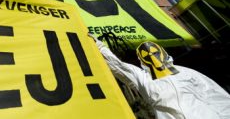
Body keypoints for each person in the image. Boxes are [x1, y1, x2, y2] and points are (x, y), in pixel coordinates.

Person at [89, 34, 230, 119]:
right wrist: (98, 46)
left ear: (163, 52)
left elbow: (215, 95)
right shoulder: (143, 78)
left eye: (155, 52)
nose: (151, 55)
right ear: (141, 59)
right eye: (146, 54)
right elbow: (118, 66)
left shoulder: (186, 73)